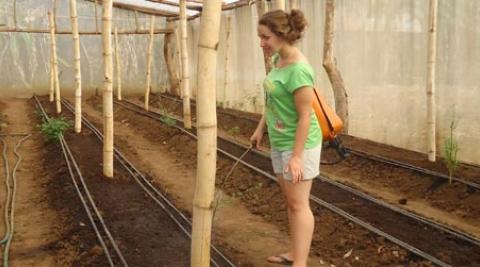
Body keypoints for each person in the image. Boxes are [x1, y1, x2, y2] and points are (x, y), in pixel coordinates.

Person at [250, 9, 322, 267]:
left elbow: (305, 116)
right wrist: (261, 129)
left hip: (299, 145)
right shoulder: (276, 61)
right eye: (260, 36)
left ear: (282, 35)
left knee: (299, 204)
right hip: (279, 141)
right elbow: (272, 101)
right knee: (291, 202)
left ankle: (300, 263)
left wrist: (297, 157)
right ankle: (294, 253)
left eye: (265, 37)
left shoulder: (300, 70)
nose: (262, 43)